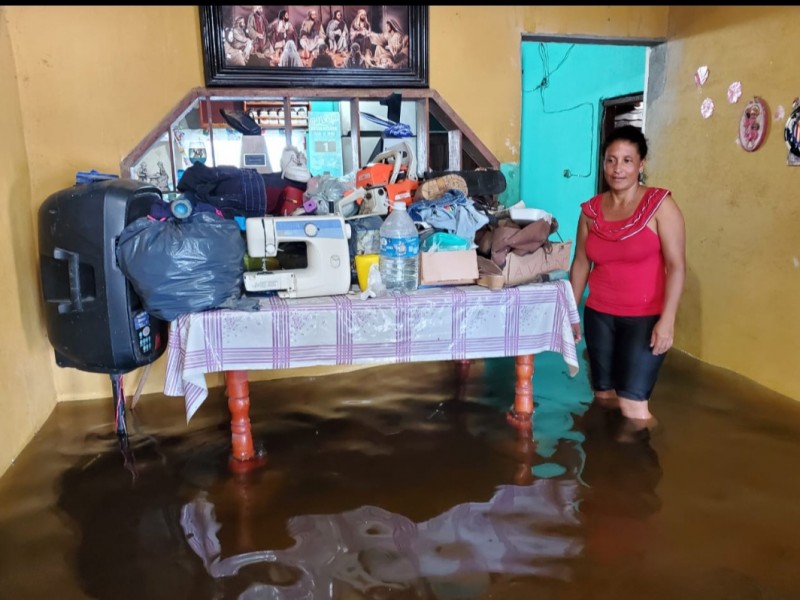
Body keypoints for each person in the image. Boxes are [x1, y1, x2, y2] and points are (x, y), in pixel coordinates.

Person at [568, 125, 685, 438]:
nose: (618, 168)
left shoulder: (661, 206)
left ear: (641, 164)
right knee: (604, 397)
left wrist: (668, 320)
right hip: (599, 315)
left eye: (627, 160)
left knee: (633, 408)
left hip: (645, 319)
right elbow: (581, 263)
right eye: (611, 160)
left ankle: (644, 473)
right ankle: (603, 472)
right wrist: (569, 313)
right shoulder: (590, 212)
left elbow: (676, 266)